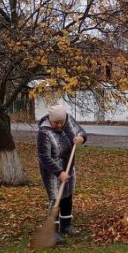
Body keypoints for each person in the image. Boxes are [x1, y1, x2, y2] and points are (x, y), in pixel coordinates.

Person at [37, 104, 87, 245]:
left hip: (69, 165)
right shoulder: (44, 132)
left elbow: (81, 132)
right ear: (50, 120)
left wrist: (81, 138)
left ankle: (66, 225)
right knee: (55, 198)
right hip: (52, 170)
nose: (59, 125)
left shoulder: (68, 120)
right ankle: (53, 231)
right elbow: (44, 157)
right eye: (55, 123)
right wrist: (59, 173)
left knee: (67, 195)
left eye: (61, 122)